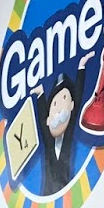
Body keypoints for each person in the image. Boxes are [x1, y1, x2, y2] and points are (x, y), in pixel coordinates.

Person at [33, 54, 93, 198]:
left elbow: (78, 98)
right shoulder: (49, 139)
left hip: (67, 191)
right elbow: (42, 121)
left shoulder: (70, 130)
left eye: (64, 98)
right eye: (54, 104)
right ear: (49, 119)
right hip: (47, 195)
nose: (59, 110)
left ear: (71, 105)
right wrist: (40, 95)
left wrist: (81, 67)